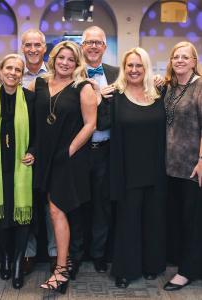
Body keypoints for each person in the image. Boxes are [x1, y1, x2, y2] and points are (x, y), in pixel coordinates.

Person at [28, 40, 97, 293]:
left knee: (57, 210)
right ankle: (63, 263)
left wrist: (68, 151)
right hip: (45, 157)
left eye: (71, 59)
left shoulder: (84, 87)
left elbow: (90, 124)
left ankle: (60, 270)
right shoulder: (39, 83)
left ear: (77, 63)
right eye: (62, 58)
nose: (65, 63)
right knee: (54, 209)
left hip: (70, 157)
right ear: (54, 58)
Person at [110, 47, 166, 288]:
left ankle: (151, 266)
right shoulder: (115, 96)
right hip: (127, 170)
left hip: (156, 169)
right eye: (130, 66)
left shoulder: (159, 94)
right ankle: (126, 270)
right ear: (124, 68)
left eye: (139, 66)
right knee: (128, 222)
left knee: (153, 221)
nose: (134, 70)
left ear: (146, 68)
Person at [67, 25, 119, 278]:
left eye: (99, 42)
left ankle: (98, 254)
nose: (94, 46)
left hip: (106, 151)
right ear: (82, 45)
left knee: (102, 206)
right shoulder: (71, 74)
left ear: (105, 47)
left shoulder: (116, 74)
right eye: (89, 42)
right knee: (77, 205)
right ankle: (75, 256)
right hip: (79, 150)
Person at [0, 54, 35, 289]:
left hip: (23, 164)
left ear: (22, 74)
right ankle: (4, 257)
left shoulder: (31, 99)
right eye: (9, 68)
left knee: (22, 217)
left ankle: (17, 264)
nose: (13, 73)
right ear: (0, 71)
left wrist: (34, 150)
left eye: (18, 70)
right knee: (4, 216)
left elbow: (39, 132)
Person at [163, 41, 202, 291]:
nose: (179, 60)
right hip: (169, 166)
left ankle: (188, 271)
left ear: (194, 61)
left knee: (192, 221)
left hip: (192, 166)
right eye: (176, 56)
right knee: (177, 218)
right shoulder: (170, 86)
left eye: (184, 57)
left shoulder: (200, 86)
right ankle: (182, 261)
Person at [21, 28, 57, 275]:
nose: (33, 49)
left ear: (45, 48)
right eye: (28, 45)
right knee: (26, 203)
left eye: (37, 45)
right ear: (22, 48)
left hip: (49, 149)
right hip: (20, 150)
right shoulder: (11, 73)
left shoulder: (55, 76)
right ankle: (28, 254)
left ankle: (56, 253)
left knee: (51, 203)